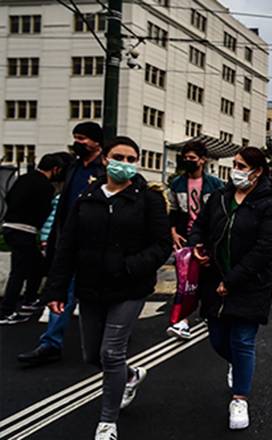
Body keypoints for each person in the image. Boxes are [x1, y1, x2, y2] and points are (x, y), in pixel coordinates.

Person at [43, 136, 172, 440]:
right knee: (93, 356)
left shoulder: (148, 198)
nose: (125, 164)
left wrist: (130, 265)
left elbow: (162, 244)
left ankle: (107, 422)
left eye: (131, 159)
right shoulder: (88, 196)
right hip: (91, 286)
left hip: (130, 287)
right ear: (105, 159)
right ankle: (130, 375)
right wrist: (56, 289)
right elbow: (68, 246)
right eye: (119, 157)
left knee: (111, 352)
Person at [189, 147, 272, 430]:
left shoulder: (270, 204)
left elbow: (265, 249)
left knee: (242, 340)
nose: (237, 170)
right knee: (218, 340)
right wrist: (196, 242)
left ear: (258, 171)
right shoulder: (220, 197)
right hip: (214, 278)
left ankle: (239, 398)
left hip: (250, 282)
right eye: (236, 165)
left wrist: (232, 282)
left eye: (242, 166)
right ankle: (240, 366)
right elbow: (201, 225)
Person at [19, 121, 106, 365]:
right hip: (69, 241)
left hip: (97, 243)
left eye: (83, 139)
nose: (78, 142)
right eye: (76, 138)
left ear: (97, 142)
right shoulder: (72, 168)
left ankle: (110, 337)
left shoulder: (105, 169)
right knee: (60, 292)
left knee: (100, 294)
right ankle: (50, 343)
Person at [165, 140, 224, 339]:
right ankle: (183, 320)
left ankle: (207, 313)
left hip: (208, 239)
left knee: (207, 279)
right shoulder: (177, 184)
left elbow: (220, 213)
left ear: (202, 160)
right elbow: (173, 211)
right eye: (185, 158)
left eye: (192, 158)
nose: (188, 161)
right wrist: (173, 232)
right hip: (186, 239)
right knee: (186, 281)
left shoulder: (215, 184)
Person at [0, 154, 64, 324]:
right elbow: (45, 211)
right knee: (19, 271)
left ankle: (31, 299)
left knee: (36, 264)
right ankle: (6, 311)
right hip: (25, 230)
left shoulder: (24, 178)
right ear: (55, 169)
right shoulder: (46, 186)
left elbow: (8, 197)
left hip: (9, 227)